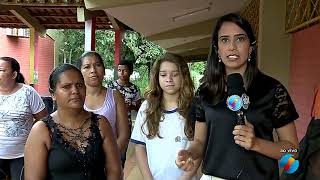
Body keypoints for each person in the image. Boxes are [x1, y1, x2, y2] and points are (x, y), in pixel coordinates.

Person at [176, 13, 299, 180]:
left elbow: (293, 150)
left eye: (240, 39)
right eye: (225, 40)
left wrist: (257, 143)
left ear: (251, 47)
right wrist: (190, 153)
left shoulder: (272, 90)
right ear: (217, 49)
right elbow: (199, 141)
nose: (232, 46)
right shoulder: (205, 92)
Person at [24, 64, 121, 180]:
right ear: (53, 94)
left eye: (80, 85)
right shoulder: (42, 130)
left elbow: (115, 171)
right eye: (66, 87)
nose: (75, 91)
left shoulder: (101, 124)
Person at [130, 53, 200, 180]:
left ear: (184, 76)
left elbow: (199, 149)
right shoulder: (147, 107)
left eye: (175, 74)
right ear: (157, 77)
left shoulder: (194, 107)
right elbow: (139, 147)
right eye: (163, 75)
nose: (169, 79)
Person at [77, 51, 130, 167]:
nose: (93, 70)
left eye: (97, 65)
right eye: (87, 67)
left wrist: (108, 160)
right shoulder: (75, 97)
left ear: (104, 70)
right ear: (80, 72)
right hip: (80, 163)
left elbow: (124, 134)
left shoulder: (115, 96)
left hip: (111, 163)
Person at [0, 57, 47, 180]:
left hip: (22, 155)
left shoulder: (28, 92)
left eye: (1, 70)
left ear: (14, 74)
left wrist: (32, 137)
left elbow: (43, 120)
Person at [108, 59, 142, 126]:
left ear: (131, 72)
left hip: (127, 122)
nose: (121, 73)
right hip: (111, 121)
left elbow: (139, 108)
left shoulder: (135, 89)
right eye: (119, 70)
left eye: (125, 70)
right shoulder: (110, 86)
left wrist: (131, 106)